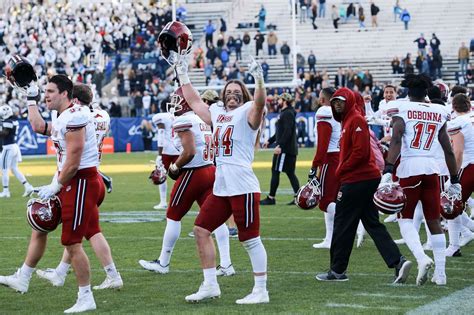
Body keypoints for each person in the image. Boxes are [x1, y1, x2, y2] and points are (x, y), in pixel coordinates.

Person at [0, 75, 102, 312]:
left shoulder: (76, 115)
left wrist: (55, 185)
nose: (46, 95)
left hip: (80, 182)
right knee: (40, 225)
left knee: (72, 242)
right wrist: (31, 97)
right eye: (45, 91)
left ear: (65, 94)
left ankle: (86, 297)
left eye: (50, 91)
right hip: (68, 179)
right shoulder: (64, 115)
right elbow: (38, 126)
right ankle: (23, 277)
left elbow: (74, 160)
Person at [175, 56, 269, 304]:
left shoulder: (248, 112)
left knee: (250, 238)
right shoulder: (217, 112)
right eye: (229, 91)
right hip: (222, 185)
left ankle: (261, 290)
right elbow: (194, 100)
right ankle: (210, 285)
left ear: (244, 95)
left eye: (238, 92)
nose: (232, 95)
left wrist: (259, 80)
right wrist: (183, 73)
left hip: (242, 184)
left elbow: (259, 104)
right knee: (200, 230)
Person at [315, 87, 412, 283]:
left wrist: (341, 169)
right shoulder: (348, 120)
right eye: (334, 102)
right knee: (372, 224)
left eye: (341, 101)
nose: (337, 104)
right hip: (364, 180)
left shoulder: (355, 120)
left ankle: (337, 270)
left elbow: (360, 153)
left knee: (342, 225)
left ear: (349, 100)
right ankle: (398, 261)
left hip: (356, 180)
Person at [35, 83, 123, 291]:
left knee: (74, 235)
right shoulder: (102, 116)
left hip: (81, 178)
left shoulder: (76, 117)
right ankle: (63, 272)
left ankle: (82, 286)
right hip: (95, 174)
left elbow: (70, 143)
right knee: (90, 230)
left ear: (73, 99)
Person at [139, 88, 234, 277]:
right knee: (215, 219)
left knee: (173, 215)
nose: (174, 104)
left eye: (177, 100)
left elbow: (189, 152)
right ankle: (226, 264)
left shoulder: (185, 120)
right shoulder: (203, 119)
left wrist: (175, 167)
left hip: (194, 172)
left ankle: (163, 263)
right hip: (210, 170)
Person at [382, 74, 459, 286]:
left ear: (408, 92)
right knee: (434, 220)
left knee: (405, 219)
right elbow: (448, 149)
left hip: (410, 168)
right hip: (432, 169)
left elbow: (396, 139)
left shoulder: (402, 109)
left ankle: (422, 258)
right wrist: (454, 178)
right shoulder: (440, 111)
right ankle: (441, 274)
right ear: (426, 93)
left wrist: (388, 168)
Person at [308, 88, 339, 249]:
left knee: (326, 201)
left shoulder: (324, 111)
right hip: (343, 157)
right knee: (335, 199)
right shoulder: (341, 111)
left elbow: (323, 144)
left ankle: (345, 227)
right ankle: (330, 238)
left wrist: (315, 166)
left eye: (320, 97)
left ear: (323, 99)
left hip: (331, 158)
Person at [446, 94, 474, 256]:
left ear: (453, 106)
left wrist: (453, 175)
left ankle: (454, 246)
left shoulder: (457, 123)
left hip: (469, 166)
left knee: (451, 206)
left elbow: (458, 151)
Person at [260, 93, 300, 206]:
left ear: (285, 101)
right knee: (290, 173)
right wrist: (270, 141)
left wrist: (280, 146)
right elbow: (280, 131)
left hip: (285, 150)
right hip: (289, 149)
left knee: (275, 171)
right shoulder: (286, 113)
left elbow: (287, 131)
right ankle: (299, 197)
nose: (277, 101)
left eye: (280, 99)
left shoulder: (287, 113)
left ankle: (271, 198)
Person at [0, 105, 34, 198]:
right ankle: (28, 187)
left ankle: (6, 191)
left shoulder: (8, 122)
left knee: (4, 169)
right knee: (14, 169)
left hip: (8, 147)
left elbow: (4, 133)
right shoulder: (14, 120)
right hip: (14, 147)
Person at [151, 103, 180, 210]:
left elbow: (161, 133)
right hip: (179, 150)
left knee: (161, 176)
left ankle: (163, 202)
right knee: (183, 177)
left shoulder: (160, 117)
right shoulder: (180, 116)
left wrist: (159, 154)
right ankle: (181, 201)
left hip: (166, 151)